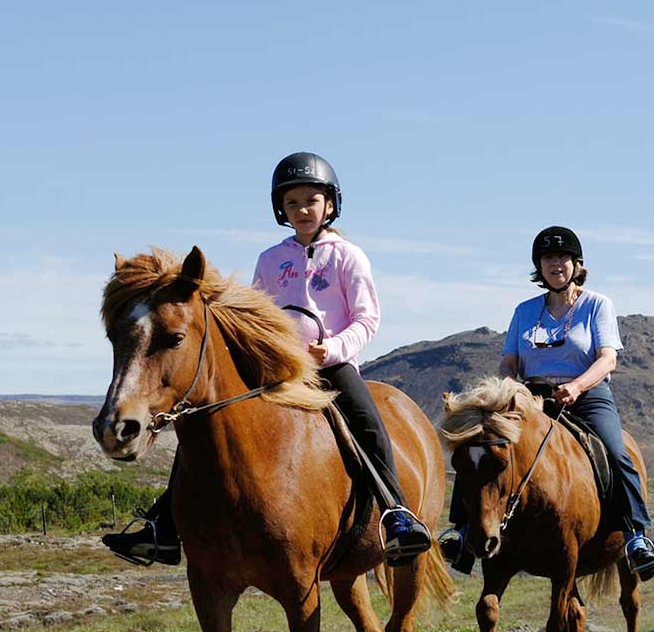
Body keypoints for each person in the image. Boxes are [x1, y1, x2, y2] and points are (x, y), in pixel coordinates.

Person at [102, 152, 434, 567]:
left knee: (366, 419)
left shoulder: (349, 256)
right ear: (282, 210)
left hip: (330, 365)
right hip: (276, 367)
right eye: (292, 203)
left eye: (311, 201)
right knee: (199, 421)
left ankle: (397, 512)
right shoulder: (271, 259)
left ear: (330, 204)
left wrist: (331, 350)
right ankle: (163, 526)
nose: (302, 210)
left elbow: (368, 318)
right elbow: (254, 314)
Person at [472, 226, 654, 578]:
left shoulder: (597, 305)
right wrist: (510, 388)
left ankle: (636, 536)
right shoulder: (525, 311)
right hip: (532, 400)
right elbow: (509, 362)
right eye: (548, 258)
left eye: (562, 257)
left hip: (588, 396)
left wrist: (577, 386)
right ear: (538, 267)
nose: (555, 264)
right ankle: (463, 533)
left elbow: (608, 359)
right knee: (482, 445)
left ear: (576, 264)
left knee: (617, 452)